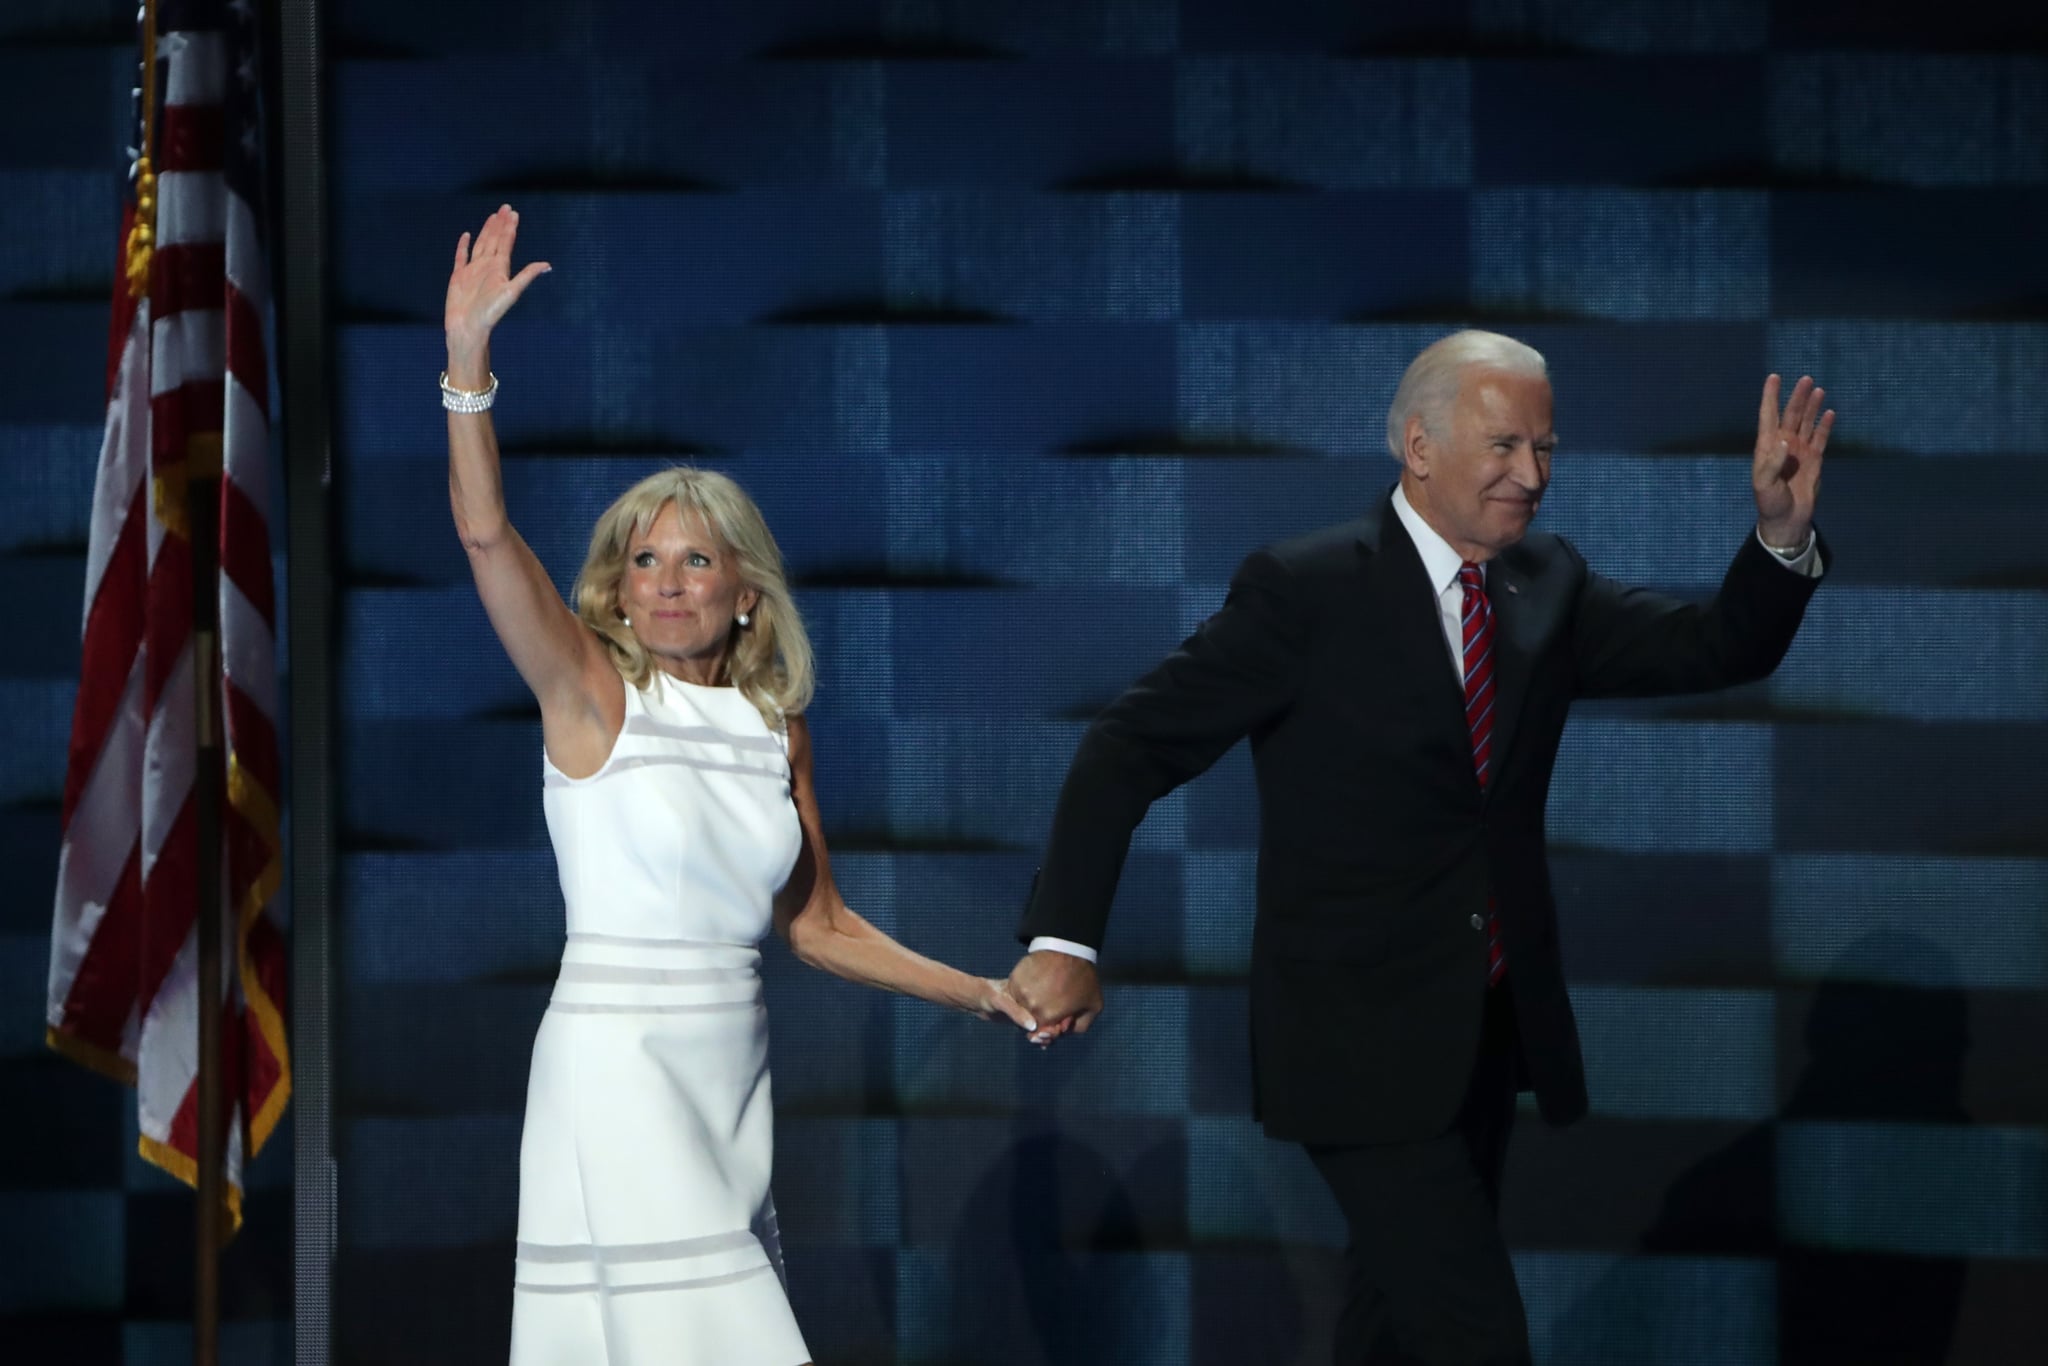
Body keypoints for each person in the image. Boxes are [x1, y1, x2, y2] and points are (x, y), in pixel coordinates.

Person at [1006, 330, 1833, 1365]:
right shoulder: (1303, 590)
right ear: (1417, 445)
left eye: (1544, 448)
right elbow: (1128, 745)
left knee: (1393, 1323)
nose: (1529, 475)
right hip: (1351, 1039)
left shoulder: (1546, 584)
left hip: (1482, 1032)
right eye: (1501, 447)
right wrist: (1065, 937)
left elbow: (1715, 645)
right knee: (1473, 1335)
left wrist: (1776, 538)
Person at [442, 205, 1036, 1366]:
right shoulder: (588, 693)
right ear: (612, 596)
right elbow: (484, 538)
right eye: (641, 562)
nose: (665, 583)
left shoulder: (775, 729)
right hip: (618, 1071)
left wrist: (980, 993)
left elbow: (815, 924)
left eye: (695, 560)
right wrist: (469, 370)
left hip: (729, 1076)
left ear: (743, 591)